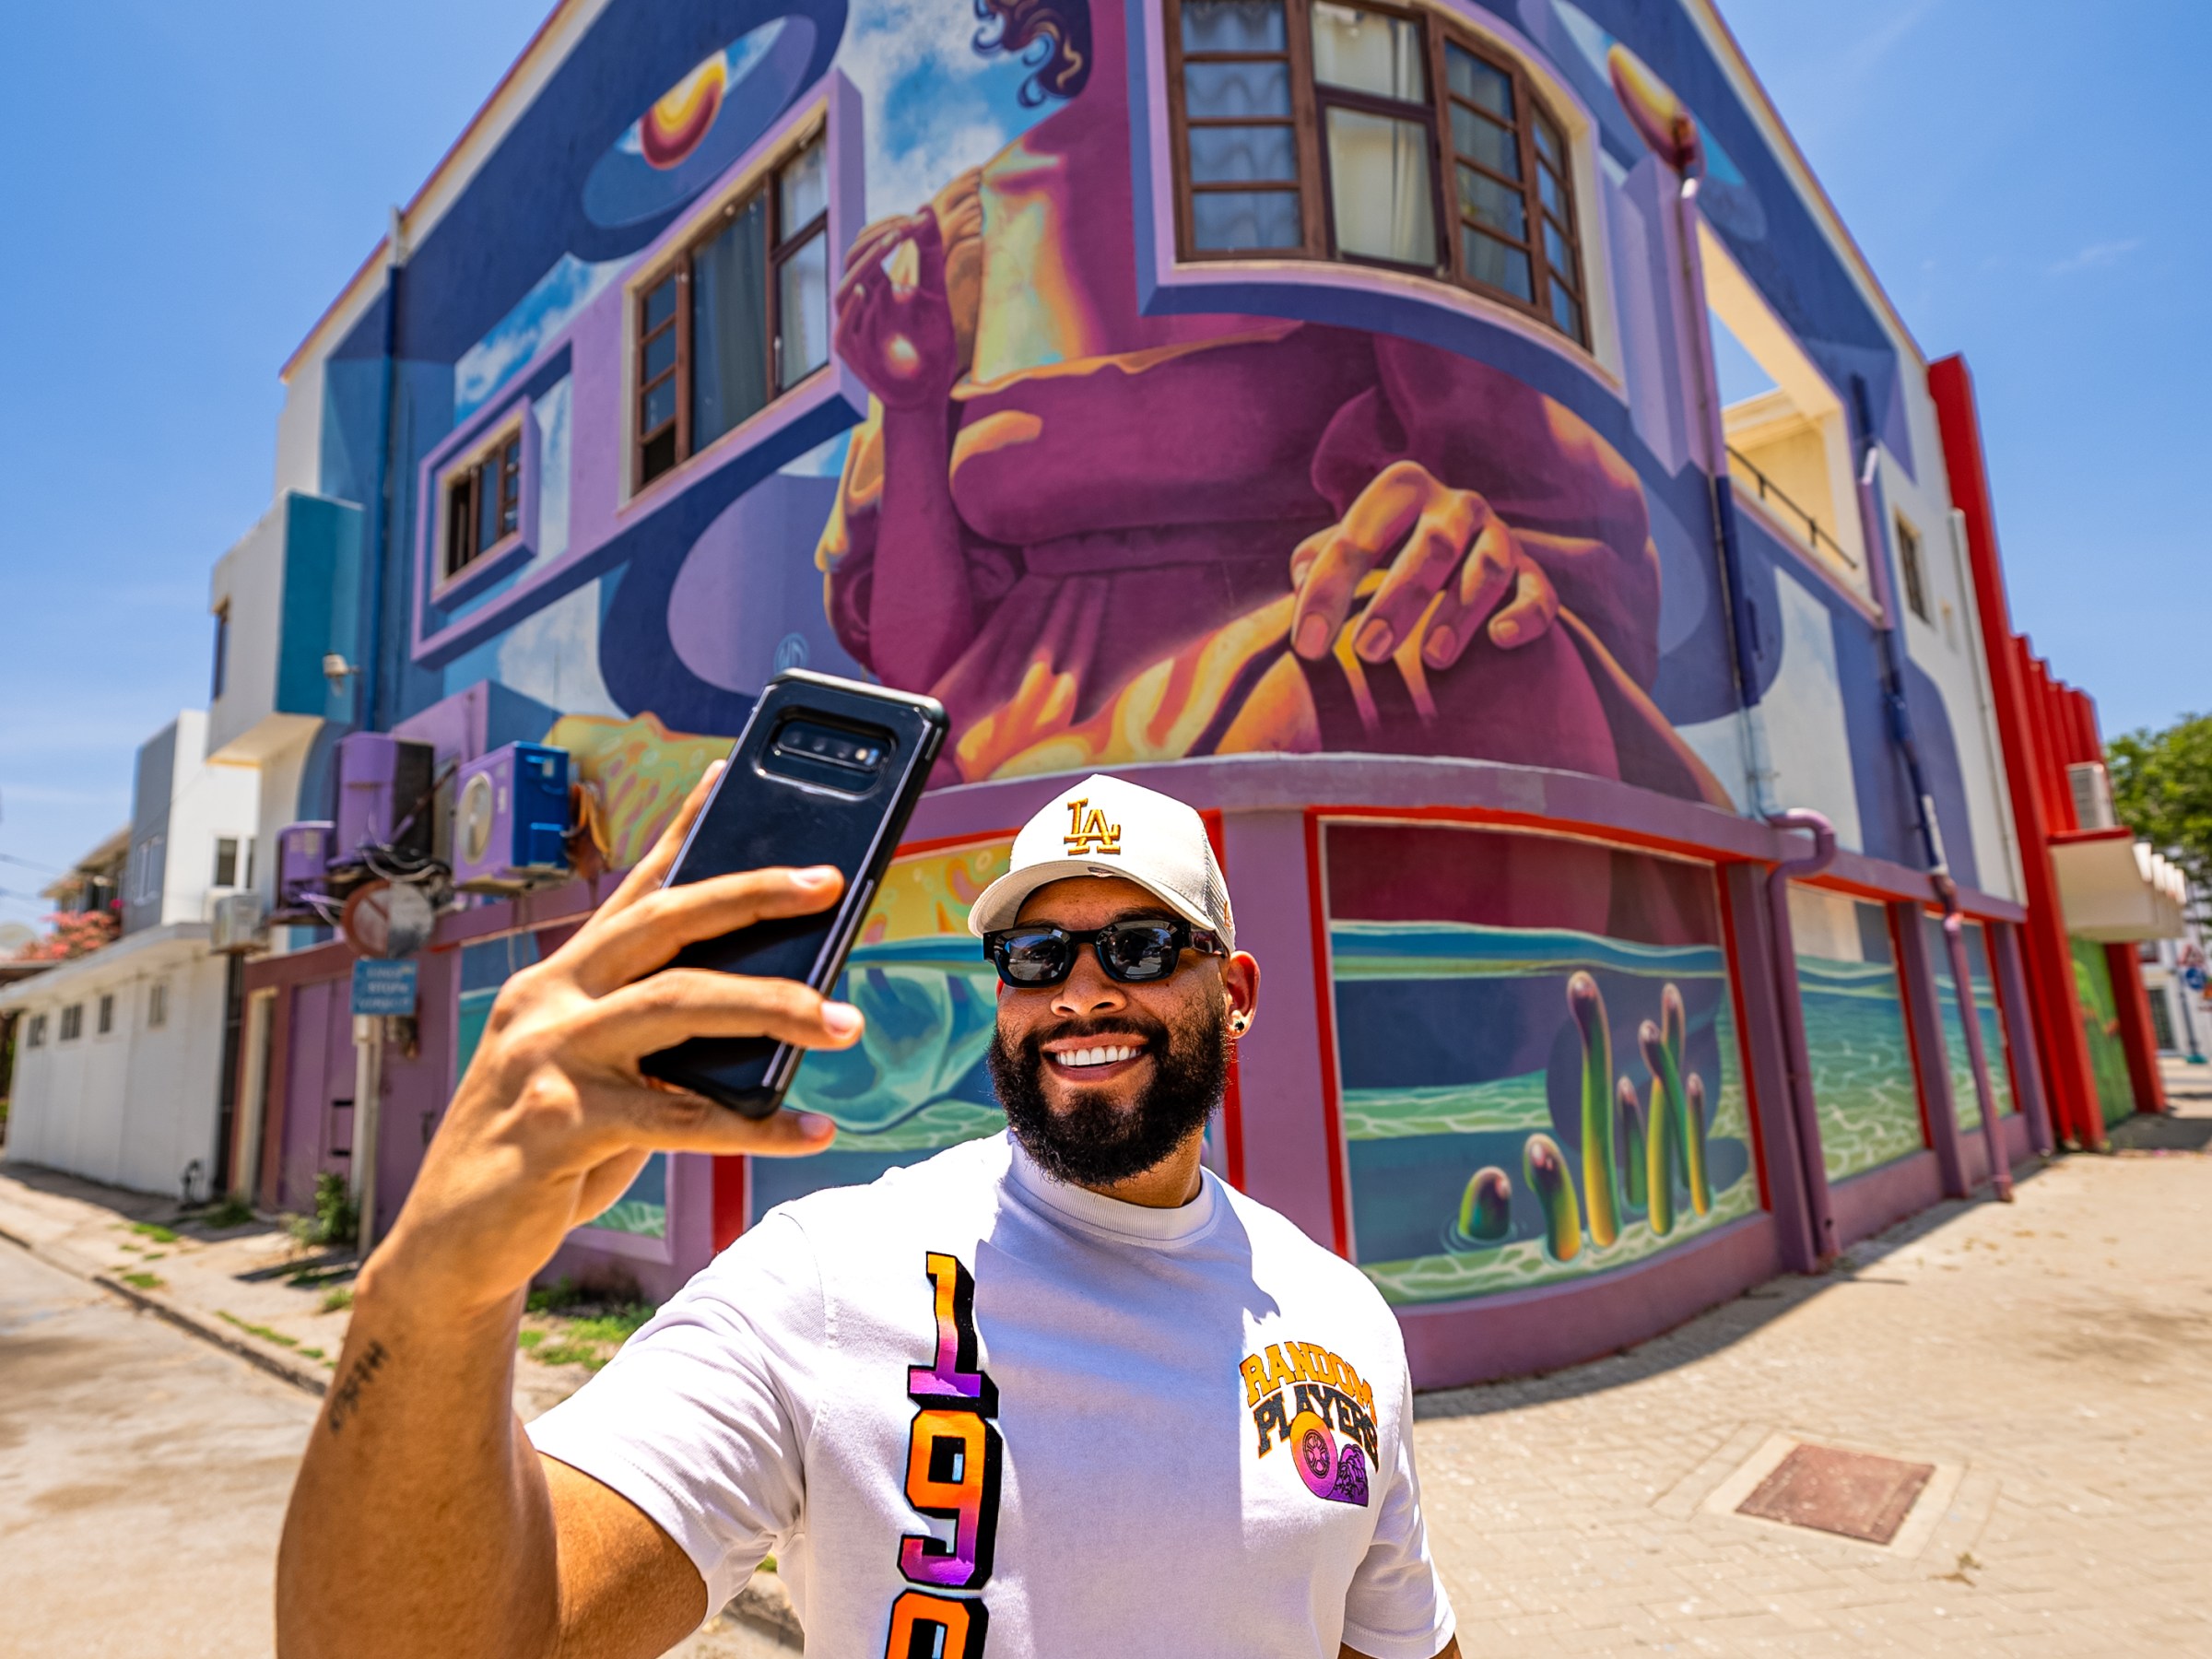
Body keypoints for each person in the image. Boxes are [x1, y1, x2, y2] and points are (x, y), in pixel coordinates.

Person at [276, 770, 1460, 1659]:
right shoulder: (832, 1277)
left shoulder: (1341, 1318)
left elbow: (1396, 1640)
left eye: (1139, 946)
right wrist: (435, 1297)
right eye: (1036, 954)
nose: (1080, 991)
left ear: (1234, 992)